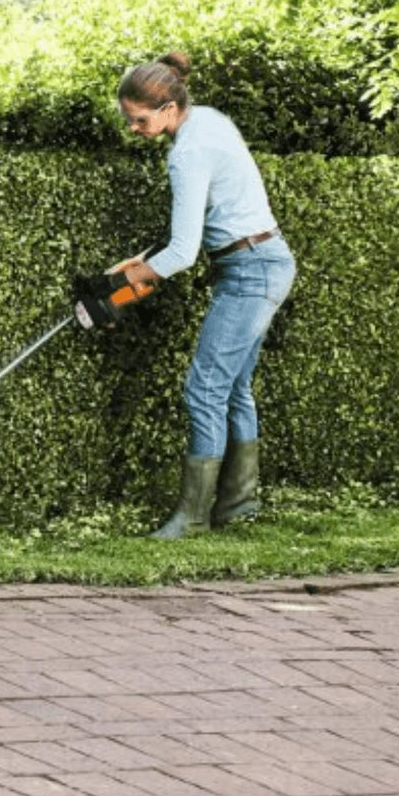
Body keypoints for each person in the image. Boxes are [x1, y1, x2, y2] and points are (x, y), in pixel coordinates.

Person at [114, 52, 296, 539]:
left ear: (169, 107)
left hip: (250, 271)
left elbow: (182, 253)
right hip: (264, 260)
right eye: (128, 119)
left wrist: (116, 292)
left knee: (205, 389)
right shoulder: (210, 121)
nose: (133, 128)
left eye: (140, 119)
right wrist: (135, 267)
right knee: (234, 389)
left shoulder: (187, 154)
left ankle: (192, 517)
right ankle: (237, 506)